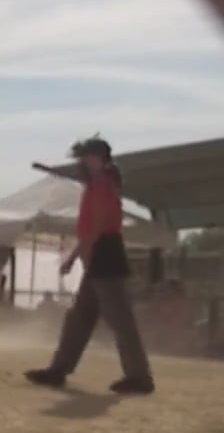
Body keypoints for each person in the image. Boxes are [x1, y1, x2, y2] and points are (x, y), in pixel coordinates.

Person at [25, 137, 153, 394]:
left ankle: (139, 376)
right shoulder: (101, 182)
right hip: (99, 253)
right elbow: (91, 228)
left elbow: (97, 226)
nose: (82, 161)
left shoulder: (102, 182)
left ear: (96, 157)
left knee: (119, 320)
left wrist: (79, 256)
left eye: (85, 156)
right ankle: (58, 370)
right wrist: (77, 257)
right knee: (80, 317)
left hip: (104, 253)